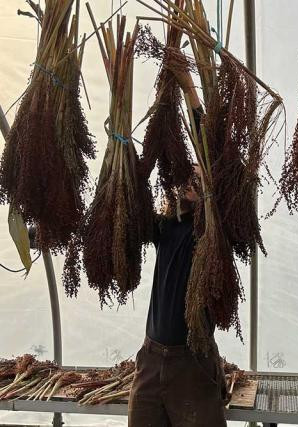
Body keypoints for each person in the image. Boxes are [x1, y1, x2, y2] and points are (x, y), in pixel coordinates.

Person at [127, 63, 228, 427]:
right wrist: (155, 114)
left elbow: (212, 155)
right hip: (152, 359)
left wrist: (189, 90)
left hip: (193, 363)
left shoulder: (213, 231)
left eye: (197, 177)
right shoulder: (167, 227)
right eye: (186, 177)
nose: (189, 179)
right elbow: (131, 198)